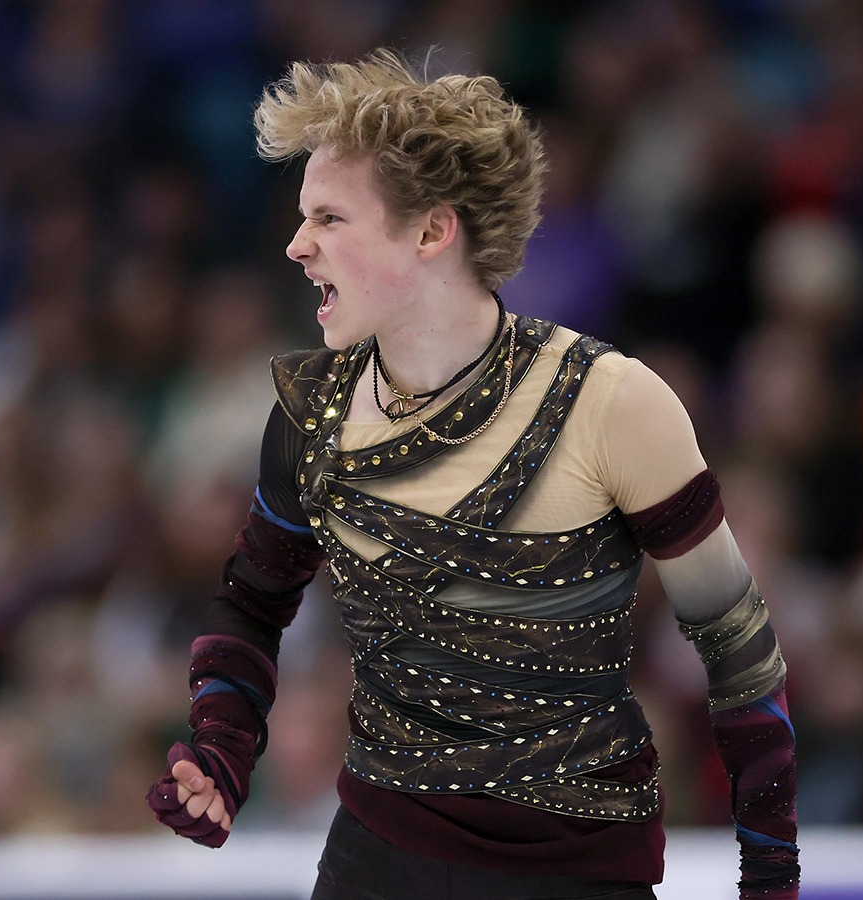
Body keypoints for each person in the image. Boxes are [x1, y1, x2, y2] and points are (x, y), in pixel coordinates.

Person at [147, 49, 799, 899]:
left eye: (330, 218)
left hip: (580, 875)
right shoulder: (314, 414)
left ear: (430, 231)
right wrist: (223, 752)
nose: (297, 244)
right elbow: (252, 604)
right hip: (374, 865)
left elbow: (741, 655)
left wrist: (771, 883)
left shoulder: (611, 405)